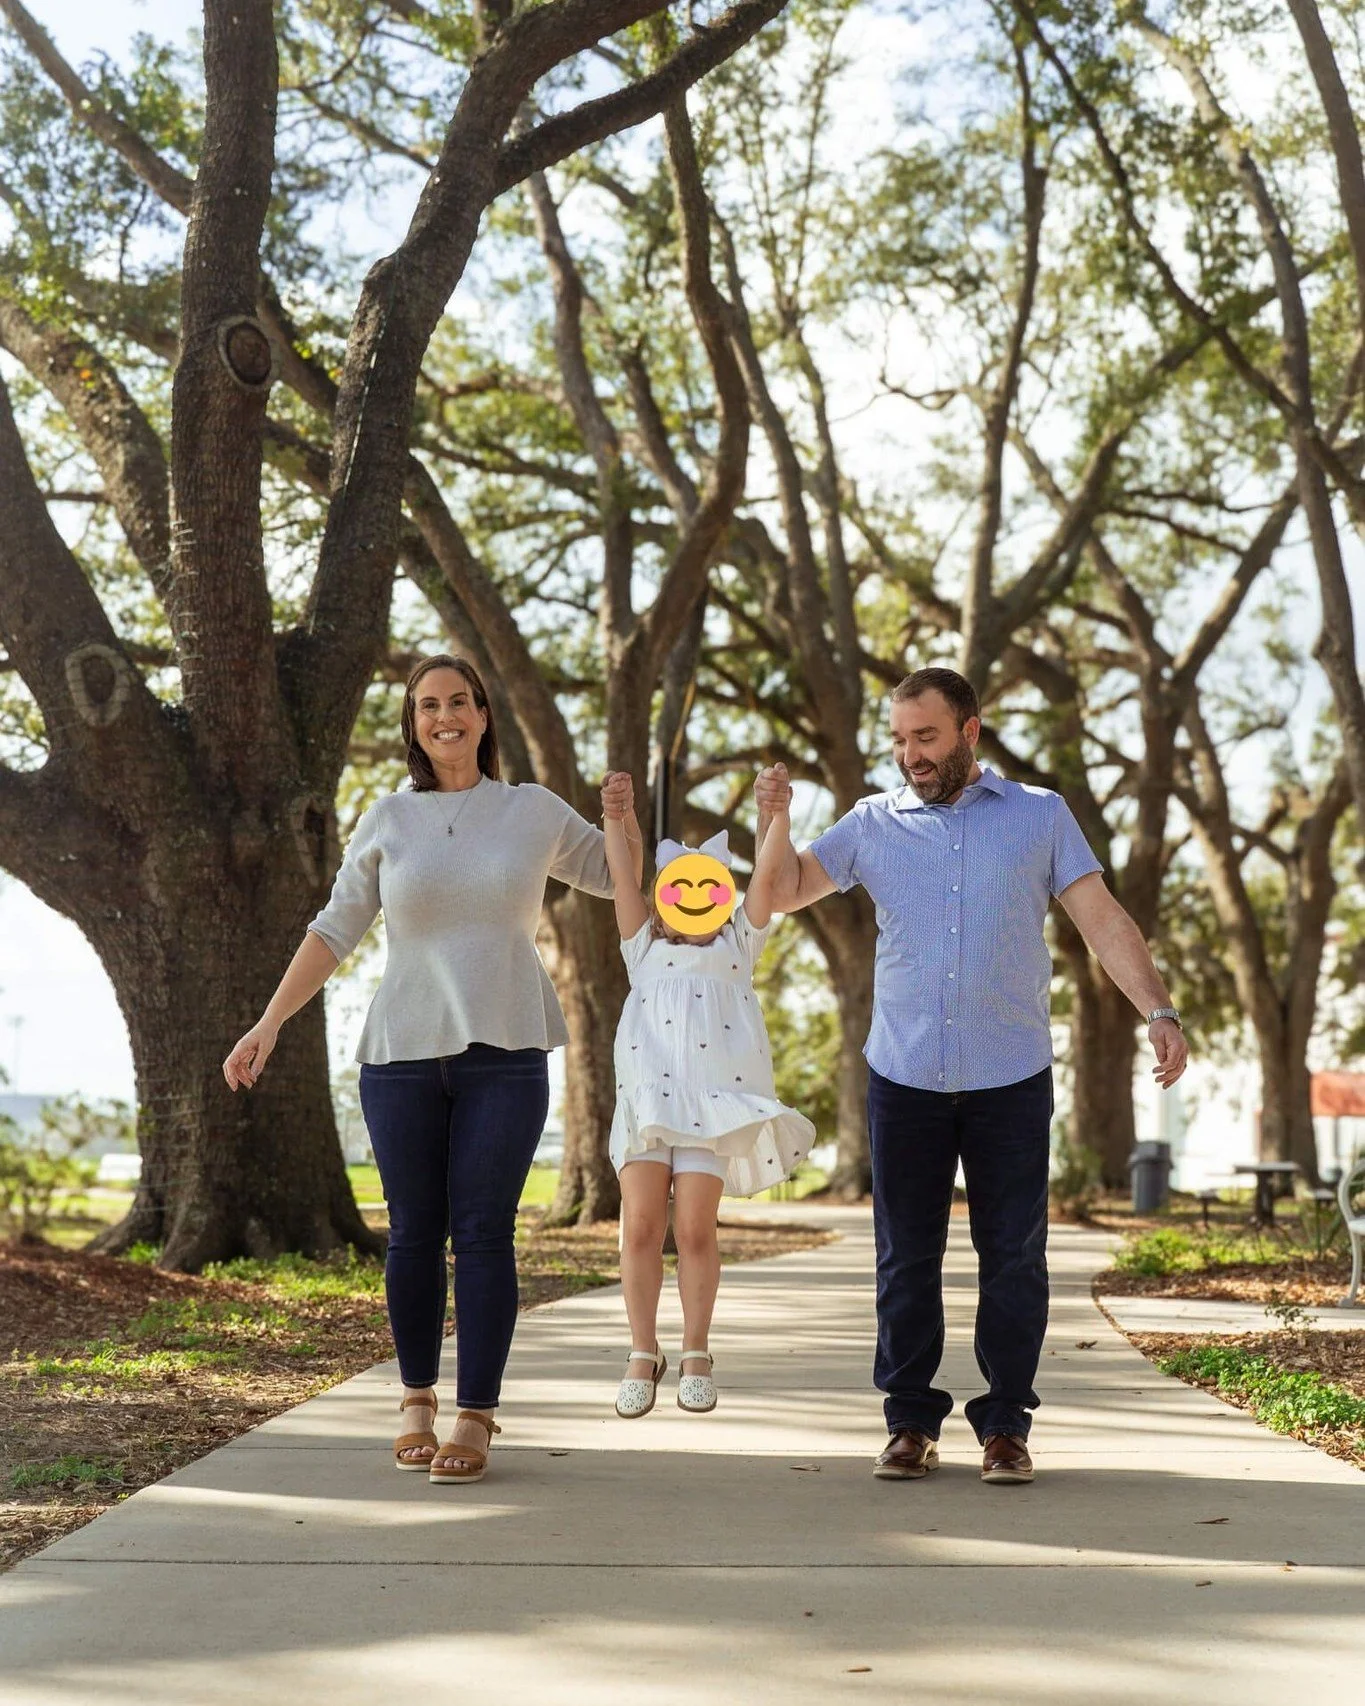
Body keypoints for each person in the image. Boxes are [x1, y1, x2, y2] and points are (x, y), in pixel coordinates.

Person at [753, 665, 1188, 1485]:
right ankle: (909, 1422)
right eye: (900, 739)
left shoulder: (1038, 815)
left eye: (926, 736)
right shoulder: (871, 823)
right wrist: (774, 820)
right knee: (904, 1259)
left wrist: (1157, 1010)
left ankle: (1005, 1426)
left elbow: (1101, 919)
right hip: (904, 1074)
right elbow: (776, 894)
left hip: (1008, 1075)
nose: (910, 754)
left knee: (1013, 1258)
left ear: (969, 731)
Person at [223, 654, 641, 1484]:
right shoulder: (387, 818)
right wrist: (269, 1022)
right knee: (413, 1232)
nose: (443, 716)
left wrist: (622, 820)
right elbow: (334, 929)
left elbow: (619, 880)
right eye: (426, 706)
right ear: (413, 724)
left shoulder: (531, 810)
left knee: (483, 1232)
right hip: (400, 1057)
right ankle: (415, 1399)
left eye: (457, 702)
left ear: (482, 715)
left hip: (506, 1051)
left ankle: (476, 1413)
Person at [600, 771, 814, 1418]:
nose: (694, 899)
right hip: (649, 1101)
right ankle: (643, 1351)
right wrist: (617, 816)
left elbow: (767, 875)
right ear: (662, 900)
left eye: (708, 888)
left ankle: (696, 1350)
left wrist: (776, 813)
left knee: (694, 1228)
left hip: (712, 1104)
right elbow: (622, 875)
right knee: (641, 1225)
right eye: (680, 889)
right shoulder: (641, 946)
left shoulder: (739, 943)